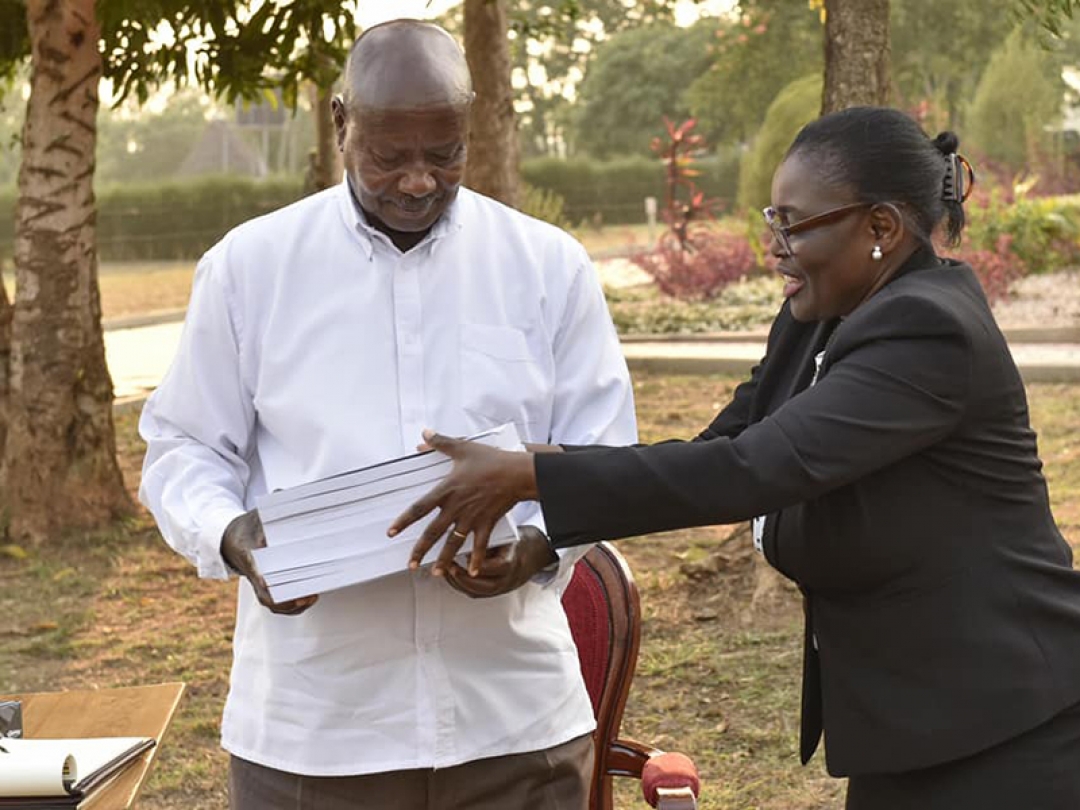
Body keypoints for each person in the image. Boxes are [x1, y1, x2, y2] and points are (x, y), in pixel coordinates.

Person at [391, 106, 1080, 809]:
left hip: (1011, 723)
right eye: (772, 218)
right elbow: (718, 448)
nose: (773, 246)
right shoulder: (820, 316)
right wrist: (544, 536)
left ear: (880, 228)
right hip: (920, 722)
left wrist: (528, 474)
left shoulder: (929, 332)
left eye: (794, 224)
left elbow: (752, 469)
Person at [138, 19, 637, 810]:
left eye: (445, 154)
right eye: (389, 156)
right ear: (341, 123)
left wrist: (539, 546)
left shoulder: (547, 266)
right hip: (316, 732)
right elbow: (184, 448)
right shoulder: (249, 268)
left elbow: (606, 455)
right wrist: (234, 538)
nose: (417, 181)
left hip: (515, 724)